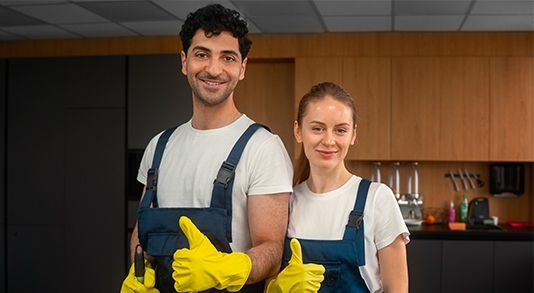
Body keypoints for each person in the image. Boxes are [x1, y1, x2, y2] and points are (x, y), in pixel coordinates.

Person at [121, 4, 293, 293]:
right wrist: (139, 273)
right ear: (184, 61)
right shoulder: (158, 146)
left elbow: (272, 252)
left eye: (227, 57)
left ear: (242, 68)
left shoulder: (263, 148)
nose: (214, 69)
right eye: (202, 54)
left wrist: (228, 269)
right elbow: (142, 232)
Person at [266, 82, 410, 293]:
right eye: (317, 129)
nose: (329, 140)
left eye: (340, 130)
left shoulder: (377, 198)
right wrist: (277, 288)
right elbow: (269, 282)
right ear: (298, 131)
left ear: (353, 135)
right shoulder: (286, 203)